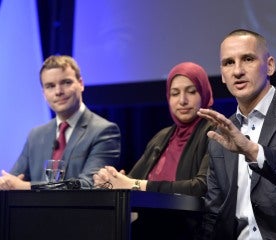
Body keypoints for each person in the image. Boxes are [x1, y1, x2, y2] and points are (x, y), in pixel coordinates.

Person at [196, 29, 276, 239]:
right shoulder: (220, 136)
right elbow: (214, 212)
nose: (237, 71)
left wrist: (252, 151)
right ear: (223, 75)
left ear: (270, 65)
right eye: (228, 63)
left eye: (247, 59)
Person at [93, 61, 214, 239]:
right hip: (148, 229)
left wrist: (133, 184)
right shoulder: (163, 136)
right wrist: (111, 180)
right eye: (175, 93)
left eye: (191, 91)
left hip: (188, 232)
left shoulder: (214, 132)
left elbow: (200, 187)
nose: (182, 100)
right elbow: (131, 180)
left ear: (204, 93)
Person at [0, 55, 121, 190]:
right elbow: (14, 180)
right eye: (50, 86)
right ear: (43, 93)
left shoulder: (104, 131)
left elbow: (89, 185)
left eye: (66, 82)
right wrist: (6, 182)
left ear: (81, 84)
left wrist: (27, 186)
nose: (58, 91)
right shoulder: (36, 135)